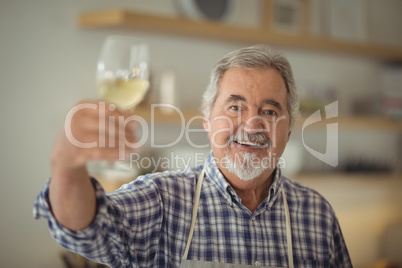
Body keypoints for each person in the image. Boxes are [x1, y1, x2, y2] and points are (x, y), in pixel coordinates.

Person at [34, 45, 353, 267]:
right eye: (235, 107)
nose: (252, 124)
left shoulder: (318, 215)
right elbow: (85, 230)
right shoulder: (162, 200)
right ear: (207, 120)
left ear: (288, 129)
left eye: (269, 111)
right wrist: (65, 165)